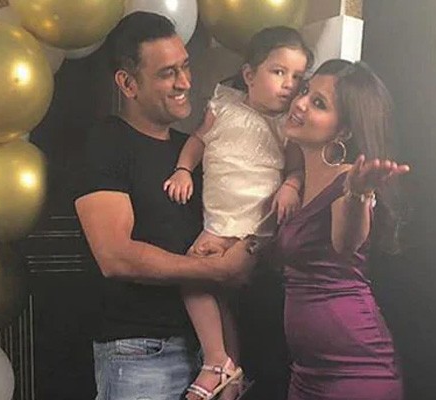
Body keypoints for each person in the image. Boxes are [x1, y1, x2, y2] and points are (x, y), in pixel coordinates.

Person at [73, 12, 256, 400]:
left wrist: (230, 364)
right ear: (128, 83)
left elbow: (216, 256)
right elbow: (114, 256)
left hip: (208, 356)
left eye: (185, 67)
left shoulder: (192, 152)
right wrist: (217, 269)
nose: (185, 82)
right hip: (140, 353)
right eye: (167, 73)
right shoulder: (106, 143)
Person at [162, 27, 313, 400]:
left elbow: (296, 169)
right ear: (249, 74)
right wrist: (183, 169)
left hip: (255, 229)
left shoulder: (288, 127)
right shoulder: (222, 106)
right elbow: (197, 141)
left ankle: (218, 364)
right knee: (200, 282)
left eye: (298, 77)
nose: (289, 84)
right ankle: (226, 369)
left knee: (209, 283)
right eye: (278, 72)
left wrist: (290, 185)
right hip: (217, 223)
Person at [278, 59, 409, 400]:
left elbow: (346, 243)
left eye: (318, 103)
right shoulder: (299, 179)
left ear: (344, 131)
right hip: (306, 372)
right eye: (305, 91)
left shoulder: (347, 179)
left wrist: (358, 193)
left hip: (356, 371)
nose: (300, 103)